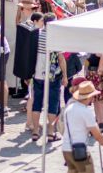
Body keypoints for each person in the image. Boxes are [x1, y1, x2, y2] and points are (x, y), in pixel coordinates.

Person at [61, 81, 103, 172]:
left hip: (66, 149)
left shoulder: (69, 108)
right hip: (79, 151)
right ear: (89, 97)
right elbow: (98, 136)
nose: (94, 98)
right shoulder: (85, 111)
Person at [27, 13, 65, 142]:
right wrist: (65, 76)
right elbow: (61, 59)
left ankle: (36, 131)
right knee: (52, 104)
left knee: (37, 103)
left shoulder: (37, 35)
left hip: (37, 74)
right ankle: (50, 131)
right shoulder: (55, 37)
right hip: (52, 76)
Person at [83, 52, 103, 124]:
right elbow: (87, 63)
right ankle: (100, 121)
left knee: (100, 100)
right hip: (92, 76)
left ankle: (102, 122)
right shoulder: (89, 50)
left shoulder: (96, 48)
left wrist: (99, 69)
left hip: (97, 77)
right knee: (97, 100)